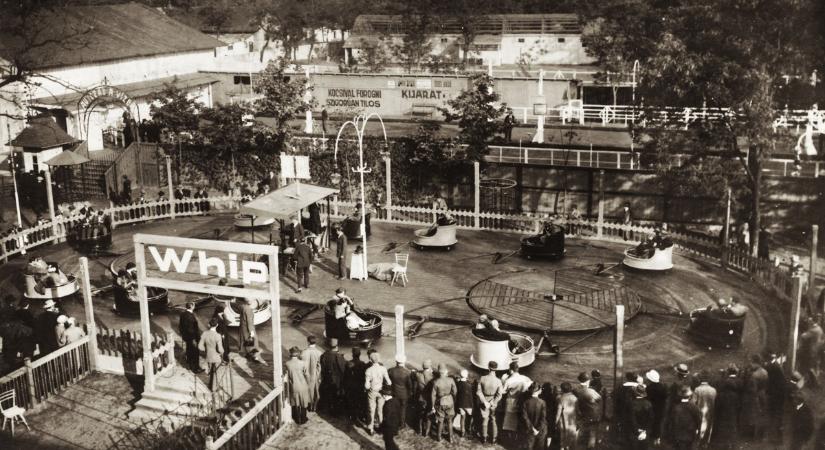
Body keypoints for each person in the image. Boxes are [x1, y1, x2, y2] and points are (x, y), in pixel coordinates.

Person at [712, 365, 743, 449]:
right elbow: (739, 405)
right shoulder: (735, 395)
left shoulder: (721, 395)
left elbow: (717, 406)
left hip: (723, 415)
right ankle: (732, 444)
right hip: (733, 414)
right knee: (732, 428)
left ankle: (724, 445)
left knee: (723, 429)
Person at [573, 372, 602, 450]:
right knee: (592, 433)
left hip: (581, 413)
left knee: (581, 432)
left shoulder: (575, 390)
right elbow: (599, 399)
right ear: (588, 381)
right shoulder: (590, 391)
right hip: (592, 415)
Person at [665, 385, 701, 450]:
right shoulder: (694, 407)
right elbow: (698, 419)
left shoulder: (675, 407)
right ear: (690, 396)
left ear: (680, 396)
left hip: (678, 434)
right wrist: (698, 429)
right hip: (690, 432)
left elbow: (671, 422)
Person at [502, 361, 532, 437]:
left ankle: (509, 436)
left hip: (511, 401)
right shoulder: (525, 378)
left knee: (509, 420)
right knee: (519, 418)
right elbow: (530, 386)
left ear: (511, 370)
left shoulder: (508, 381)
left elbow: (503, 391)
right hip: (521, 400)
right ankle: (517, 435)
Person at [364, 351, 391, 435]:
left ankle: (371, 428)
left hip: (372, 391)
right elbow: (389, 382)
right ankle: (381, 427)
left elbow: (366, 386)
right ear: (379, 359)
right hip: (381, 391)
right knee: (380, 410)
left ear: (370, 360)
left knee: (371, 410)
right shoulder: (383, 369)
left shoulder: (368, 370)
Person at [477, 360, 503, 444]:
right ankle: (494, 438)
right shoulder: (498, 381)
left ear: (488, 368)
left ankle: (484, 437)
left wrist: (484, 401)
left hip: (484, 401)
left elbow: (478, 392)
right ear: (496, 369)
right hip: (493, 402)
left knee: (485, 419)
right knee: (493, 419)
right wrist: (493, 402)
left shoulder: (482, 378)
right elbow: (499, 394)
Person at [319, 338, 347, 415]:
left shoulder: (324, 355)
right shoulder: (338, 356)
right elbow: (342, 369)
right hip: (336, 379)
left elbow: (322, 367)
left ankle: (329, 408)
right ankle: (335, 412)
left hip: (327, 378)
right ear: (336, 346)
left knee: (329, 394)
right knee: (336, 395)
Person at [430, 364, 457, 442]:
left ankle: (439, 437)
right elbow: (455, 392)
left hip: (440, 402)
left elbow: (433, 395)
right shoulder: (451, 380)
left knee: (440, 420)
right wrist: (453, 399)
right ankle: (451, 438)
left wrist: (432, 406)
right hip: (450, 401)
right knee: (449, 421)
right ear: (445, 371)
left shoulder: (436, 382)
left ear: (439, 372)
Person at [285, 346, 310, 425]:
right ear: (298, 353)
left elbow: (287, 376)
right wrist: (308, 384)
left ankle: (296, 418)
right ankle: (303, 418)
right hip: (303, 385)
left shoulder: (287, 364)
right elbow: (307, 375)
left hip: (294, 385)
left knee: (295, 402)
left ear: (291, 354)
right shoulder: (302, 363)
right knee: (303, 401)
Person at [691, 369, 717, 447]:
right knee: (709, 427)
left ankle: (698, 443)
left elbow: (693, 403)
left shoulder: (697, 389)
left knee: (699, 428)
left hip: (700, 412)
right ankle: (705, 444)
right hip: (710, 412)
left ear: (700, 378)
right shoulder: (713, 390)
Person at [387, 354, 413, 430]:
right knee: (403, 409)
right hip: (404, 394)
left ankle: (396, 422)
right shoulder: (408, 372)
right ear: (404, 361)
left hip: (394, 392)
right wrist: (410, 392)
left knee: (395, 408)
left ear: (396, 361)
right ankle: (402, 424)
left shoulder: (391, 371)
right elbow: (410, 385)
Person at [198, 318, 224, 391]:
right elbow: (220, 349)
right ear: (217, 325)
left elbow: (200, 346)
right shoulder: (218, 336)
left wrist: (205, 350)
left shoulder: (204, 333)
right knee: (216, 372)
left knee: (211, 371)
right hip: (216, 357)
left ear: (209, 325)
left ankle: (210, 385)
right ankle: (214, 388)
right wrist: (222, 352)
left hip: (208, 355)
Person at [344, 347, 368, 423]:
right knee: (358, 401)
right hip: (359, 386)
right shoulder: (363, 364)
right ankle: (358, 416)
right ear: (359, 355)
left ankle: (352, 415)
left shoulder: (348, 363)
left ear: (352, 355)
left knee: (351, 401)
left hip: (351, 385)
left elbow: (346, 375)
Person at [644, 369, 667, 446]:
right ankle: (657, 439)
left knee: (651, 423)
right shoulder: (663, 387)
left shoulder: (649, 388)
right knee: (658, 423)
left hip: (651, 408)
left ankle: (650, 438)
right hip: (661, 408)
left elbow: (647, 399)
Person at [238, 298, 264, 364]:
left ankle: (247, 354)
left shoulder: (242, 306)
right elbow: (250, 323)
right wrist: (251, 332)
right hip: (248, 328)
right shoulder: (249, 310)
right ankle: (255, 358)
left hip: (243, 327)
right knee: (253, 343)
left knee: (246, 342)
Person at [413, 359, 435, 437]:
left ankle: (419, 429)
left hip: (421, 397)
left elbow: (417, 374)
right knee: (429, 415)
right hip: (429, 398)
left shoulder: (418, 375)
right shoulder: (432, 377)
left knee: (420, 415)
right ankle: (427, 431)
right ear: (429, 367)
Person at [522, 382, 547, 450]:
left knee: (529, 446)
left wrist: (532, 428)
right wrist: (537, 429)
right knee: (539, 447)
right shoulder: (542, 402)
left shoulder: (526, 402)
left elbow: (525, 417)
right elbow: (543, 417)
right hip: (540, 429)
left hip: (529, 428)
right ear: (538, 391)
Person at [179, 302, 202, 373]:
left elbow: (180, 326)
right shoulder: (190, 316)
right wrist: (193, 339)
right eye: (194, 305)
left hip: (187, 337)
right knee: (195, 352)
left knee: (189, 350)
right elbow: (191, 329)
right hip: (193, 338)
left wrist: (183, 335)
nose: (194, 306)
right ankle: (195, 368)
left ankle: (189, 365)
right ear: (191, 306)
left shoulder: (183, 314)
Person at [302, 335, 322, 412]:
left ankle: (309, 406)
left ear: (308, 342)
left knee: (308, 391)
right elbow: (319, 366)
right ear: (315, 342)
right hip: (315, 375)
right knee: (316, 391)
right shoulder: (319, 353)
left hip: (306, 375)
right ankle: (314, 406)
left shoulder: (303, 352)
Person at [629, 383, 653, 450]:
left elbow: (632, 419)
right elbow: (651, 418)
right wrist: (645, 430)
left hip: (634, 431)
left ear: (635, 393)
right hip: (645, 430)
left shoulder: (632, 404)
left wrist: (637, 429)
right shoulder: (648, 404)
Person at [556, 382, 579, 450]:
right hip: (573, 422)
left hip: (563, 422)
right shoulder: (575, 398)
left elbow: (558, 413)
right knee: (573, 440)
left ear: (562, 389)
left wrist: (555, 422)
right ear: (570, 388)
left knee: (563, 441)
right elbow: (578, 411)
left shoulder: (561, 398)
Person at [454, 368, 473, 439]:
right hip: (469, 404)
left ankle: (462, 431)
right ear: (467, 375)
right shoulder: (470, 384)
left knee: (462, 417)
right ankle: (469, 429)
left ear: (460, 375)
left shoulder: (458, 383)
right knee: (470, 417)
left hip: (461, 403)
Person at [381, 385, 402, 450]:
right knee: (389, 440)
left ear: (385, 395)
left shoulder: (387, 405)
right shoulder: (395, 400)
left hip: (389, 426)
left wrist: (382, 426)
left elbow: (387, 418)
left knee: (388, 442)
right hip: (395, 424)